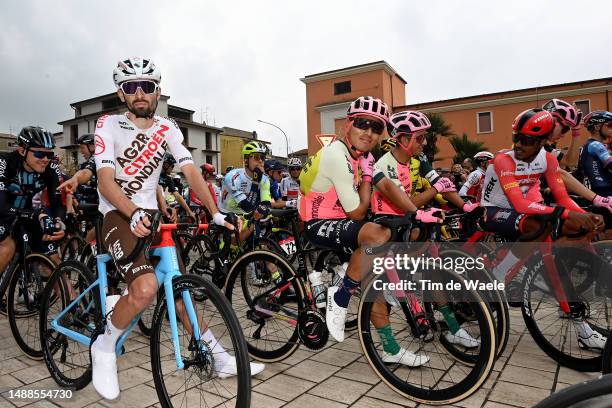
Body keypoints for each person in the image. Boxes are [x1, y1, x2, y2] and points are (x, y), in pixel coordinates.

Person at [91, 56, 263, 400]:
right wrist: (133, 210)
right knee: (145, 288)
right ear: (121, 94)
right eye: (130, 87)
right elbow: (106, 181)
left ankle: (215, 355)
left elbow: (191, 171)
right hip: (117, 214)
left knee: (180, 293)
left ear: (158, 91)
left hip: (152, 217)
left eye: (147, 87)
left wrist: (214, 212)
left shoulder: (168, 128)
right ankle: (104, 346)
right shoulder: (107, 124)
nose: (139, 93)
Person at [299, 96, 429, 366]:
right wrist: (368, 178)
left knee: (374, 281)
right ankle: (341, 294)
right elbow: (357, 212)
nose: (368, 132)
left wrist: (415, 213)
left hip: (340, 221)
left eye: (376, 128)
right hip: (316, 222)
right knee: (376, 234)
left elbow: (388, 188)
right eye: (362, 124)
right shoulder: (337, 154)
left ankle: (390, 348)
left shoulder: (363, 155)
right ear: (349, 124)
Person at [481, 108, 605, 349]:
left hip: (525, 210)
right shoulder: (503, 159)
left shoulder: (547, 159)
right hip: (493, 211)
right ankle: (499, 274)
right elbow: (518, 203)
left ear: (544, 141)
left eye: (526, 141)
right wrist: (566, 213)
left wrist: (586, 215)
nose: (518, 145)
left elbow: (562, 198)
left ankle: (582, 329)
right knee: (540, 225)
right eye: (516, 137)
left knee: (577, 228)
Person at [372, 110, 480, 348]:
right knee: (404, 273)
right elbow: (404, 201)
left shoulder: (419, 160)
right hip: (387, 222)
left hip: (409, 219)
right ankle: (394, 297)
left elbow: (443, 184)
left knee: (435, 274)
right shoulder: (385, 163)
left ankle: (452, 327)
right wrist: (431, 194)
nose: (424, 142)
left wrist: (465, 205)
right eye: (419, 138)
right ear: (402, 139)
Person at [0, 126, 66, 278]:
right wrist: (36, 216)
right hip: (3, 213)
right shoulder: (5, 162)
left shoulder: (51, 168)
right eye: (39, 153)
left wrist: (58, 223)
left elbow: (57, 203)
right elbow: (1, 206)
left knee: (54, 261)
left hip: (27, 215)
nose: (45, 159)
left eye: (49, 154)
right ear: (22, 151)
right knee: (7, 246)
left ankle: (71, 300)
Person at [219, 141, 272, 242]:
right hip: (228, 212)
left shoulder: (265, 179)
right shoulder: (232, 177)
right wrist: (255, 182)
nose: (261, 161)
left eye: (263, 158)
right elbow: (247, 206)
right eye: (256, 157)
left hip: (247, 215)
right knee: (232, 245)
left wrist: (264, 209)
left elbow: (266, 203)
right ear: (246, 160)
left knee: (256, 241)